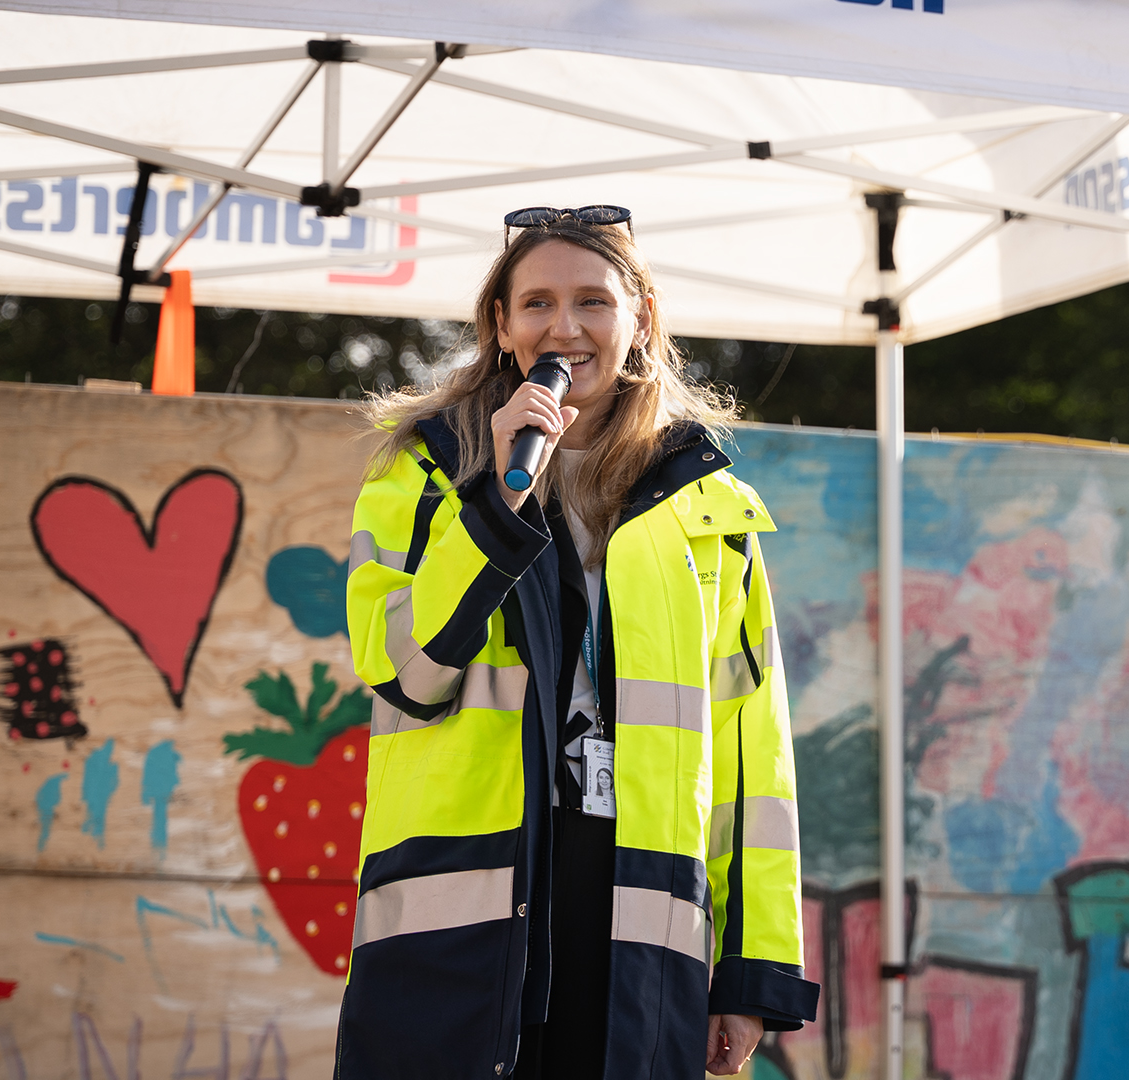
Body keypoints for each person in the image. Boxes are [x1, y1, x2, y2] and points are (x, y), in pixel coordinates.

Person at [338, 205, 818, 1080]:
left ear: (638, 322)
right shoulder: (428, 468)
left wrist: (749, 972)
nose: (566, 326)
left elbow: (754, 755)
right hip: (459, 922)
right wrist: (493, 505)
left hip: (637, 920)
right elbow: (407, 674)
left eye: (594, 301)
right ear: (502, 326)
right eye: (538, 304)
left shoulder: (704, 507)